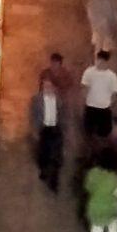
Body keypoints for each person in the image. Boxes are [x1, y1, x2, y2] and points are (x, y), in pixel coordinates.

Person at [34, 53, 70, 192]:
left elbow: (64, 114)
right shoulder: (37, 100)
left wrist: (64, 129)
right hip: (44, 128)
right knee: (43, 153)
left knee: (56, 156)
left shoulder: (60, 100)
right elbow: (34, 114)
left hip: (56, 129)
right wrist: (35, 129)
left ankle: (54, 181)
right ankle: (43, 170)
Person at [81, 50, 117, 146]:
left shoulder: (111, 76)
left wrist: (107, 103)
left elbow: (115, 94)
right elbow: (84, 87)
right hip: (90, 108)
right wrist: (86, 98)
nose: (99, 63)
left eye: (102, 61)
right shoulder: (89, 72)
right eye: (98, 60)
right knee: (88, 135)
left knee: (104, 136)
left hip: (104, 110)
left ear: (107, 62)